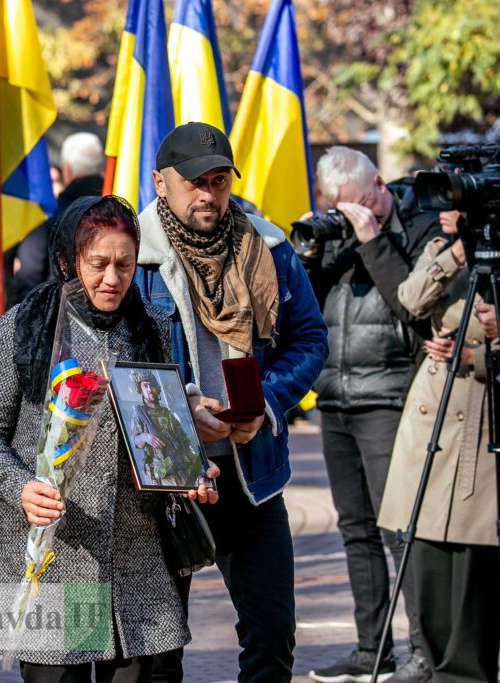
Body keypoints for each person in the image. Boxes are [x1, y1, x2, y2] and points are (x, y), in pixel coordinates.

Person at [0, 194, 220, 681]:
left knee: (156, 675)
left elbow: (163, 436)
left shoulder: (151, 328)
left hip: (139, 555)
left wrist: (191, 470)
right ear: (67, 260)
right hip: (58, 557)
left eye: (125, 264)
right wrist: (21, 488)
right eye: (98, 263)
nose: (113, 278)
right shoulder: (22, 328)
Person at [135, 122, 328, 682]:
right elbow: (114, 359)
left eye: (218, 181)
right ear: (160, 181)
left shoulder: (267, 245)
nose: (207, 194)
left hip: (252, 470)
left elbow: (309, 338)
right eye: (194, 182)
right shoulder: (134, 255)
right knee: (156, 652)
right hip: (167, 477)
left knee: (271, 635)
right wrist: (180, 416)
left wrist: (264, 402)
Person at [297, 147, 442, 683]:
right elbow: (303, 312)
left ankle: (425, 652)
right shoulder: (335, 232)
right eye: (340, 209)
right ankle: (370, 650)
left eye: (360, 205)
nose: (354, 215)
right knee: (355, 530)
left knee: (399, 529)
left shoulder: (414, 226)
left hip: (389, 396)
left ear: (378, 185)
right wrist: (312, 255)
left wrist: (372, 239)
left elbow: (412, 305)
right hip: (335, 397)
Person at [378, 219, 500, 683]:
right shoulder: (448, 248)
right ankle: (436, 671)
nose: (444, 211)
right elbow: (410, 300)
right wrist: (457, 252)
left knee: (474, 569)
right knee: (427, 557)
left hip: (488, 423)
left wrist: (495, 343)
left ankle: (468, 676)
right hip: (432, 422)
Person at [11, 132, 106, 307]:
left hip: (59, 319)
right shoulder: (120, 208)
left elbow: (29, 276)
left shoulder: (50, 216)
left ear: (67, 170)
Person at [130, 371, 201, 488]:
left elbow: (184, 439)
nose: (149, 389)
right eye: (145, 386)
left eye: (151, 385)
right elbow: (134, 441)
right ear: (140, 389)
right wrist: (145, 437)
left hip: (180, 467)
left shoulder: (167, 413)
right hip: (162, 472)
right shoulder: (140, 413)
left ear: (157, 388)